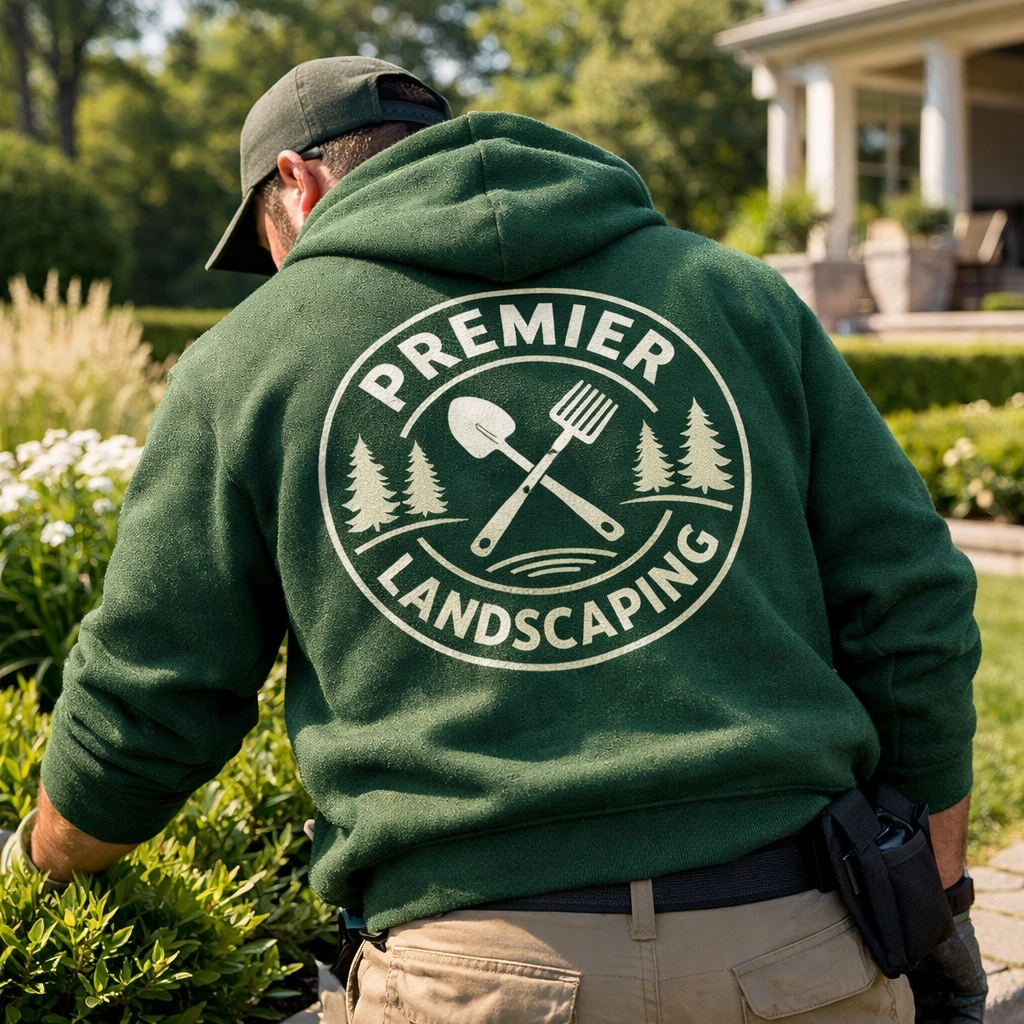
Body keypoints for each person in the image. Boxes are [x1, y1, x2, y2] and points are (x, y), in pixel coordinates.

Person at [1, 56, 988, 1023]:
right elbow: (909, 595)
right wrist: (931, 888)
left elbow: (151, 692)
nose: (275, 271)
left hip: (468, 980)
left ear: (295, 184)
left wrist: (38, 859)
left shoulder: (247, 358)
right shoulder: (733, 293)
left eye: (263, 238)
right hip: (794, 951)